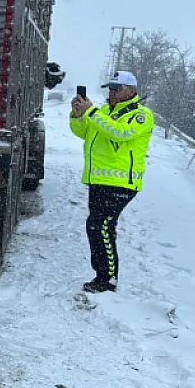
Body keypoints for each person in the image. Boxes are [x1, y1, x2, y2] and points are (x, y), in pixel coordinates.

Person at [69, 70, 154, 293]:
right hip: (99, 179)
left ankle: (107, 279)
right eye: (111, 88)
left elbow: (120, 133)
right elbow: (84, 132)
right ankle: (102, 276)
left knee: (102, 225)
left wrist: (93, 113)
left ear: (132, 91)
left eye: (118, 89)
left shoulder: (141, 115)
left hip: (121, 183)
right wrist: (78, 115)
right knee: (95, 226)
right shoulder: (105, 111)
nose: (113, 93)